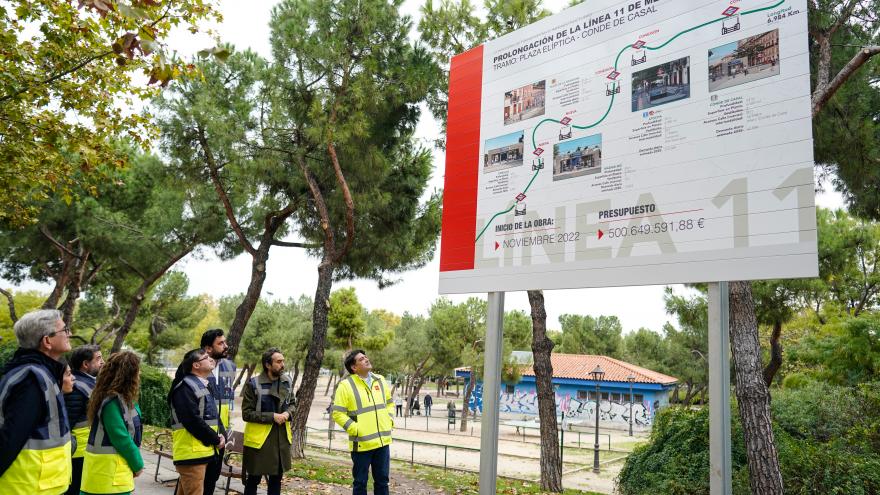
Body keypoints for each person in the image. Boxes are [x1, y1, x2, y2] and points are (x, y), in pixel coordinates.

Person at [0, 309, 72, 495]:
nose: (69, 334)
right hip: (26, 488)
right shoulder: (32, 379)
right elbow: (10, 439)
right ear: (47, 341)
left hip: (39, 486)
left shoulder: (42, 373)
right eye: (64, 330)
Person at [80, 351, 144, 495]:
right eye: (137, 371)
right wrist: (138, 464)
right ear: (129, 375)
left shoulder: (121, 399)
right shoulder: (112, 402)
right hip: (107, 475)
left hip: (112, 473)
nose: (139, 375)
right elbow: (121, 438)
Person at [331, 350, 394, 495]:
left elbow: (389, 403)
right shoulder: (345, 386)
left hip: (382, 442)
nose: (366, 359)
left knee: (383, 482)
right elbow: (337, 413)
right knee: (360, 483)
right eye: (361, 359)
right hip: (361, 444)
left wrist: (389, 420)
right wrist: (356, 429)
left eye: (366, 357)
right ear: (354, 367)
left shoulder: (380, 380)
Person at [168, 349, 226, 495]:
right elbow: (191, 420)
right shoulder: (185, 387)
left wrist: (220, 435)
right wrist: (215, 438)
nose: (210, 359)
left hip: (204, 451)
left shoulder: (203, 385)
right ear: (196, 365)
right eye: (206, 357)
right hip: (192, 455)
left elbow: (210, 417)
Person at [241, 348, 297, 495]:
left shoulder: (287, 381)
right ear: (268, 364)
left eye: (283, 361)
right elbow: (246, 414)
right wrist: (272, 416)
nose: (283, 364)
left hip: (281, 439)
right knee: (253, 480)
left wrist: (287, 413)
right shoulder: (253, 384)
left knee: (276, 480)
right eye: (279, 362)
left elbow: (293, 404)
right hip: (259, 442)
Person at [65, 345, 104, 495]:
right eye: (98, 358)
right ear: (85, 364)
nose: (102, 362)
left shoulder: (90, 383)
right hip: (78, 453)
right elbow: (67, 423)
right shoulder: (76, 387)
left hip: (86, 450)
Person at [201, 328, 236, 431]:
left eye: (225, 342)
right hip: (201, 432)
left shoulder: (231, 367)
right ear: (208, 348)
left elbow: (227, 402)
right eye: (221, 343)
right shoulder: (194, 367)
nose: (226, 346)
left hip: (222, 433)